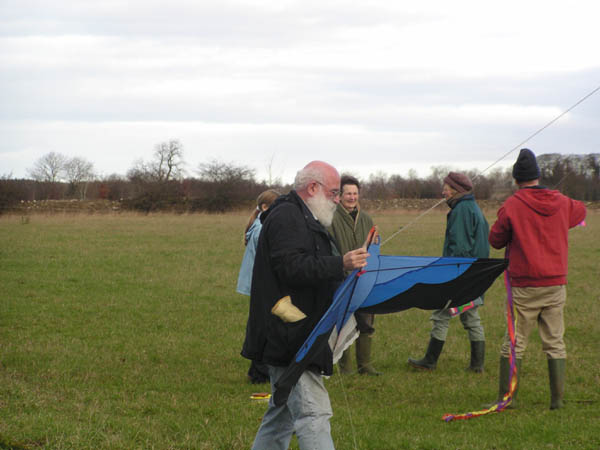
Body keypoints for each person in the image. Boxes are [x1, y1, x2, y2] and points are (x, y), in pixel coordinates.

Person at [241, 161, 370, 450]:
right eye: (334, 192)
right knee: (313, 413)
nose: (338, 199)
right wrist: (341, 263)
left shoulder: (303, 217)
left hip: (294, 330)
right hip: (289, 334)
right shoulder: (288, 217)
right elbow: (291, 267)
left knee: (282, 413)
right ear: (313, 188)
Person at [487, 148, 586, 409]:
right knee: (555, 341)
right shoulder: (563, 202)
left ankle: (507, 398)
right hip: (555, 283)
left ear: (516, 178)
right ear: (537, 176)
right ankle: (557, 400)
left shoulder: (511, 206)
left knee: (514, 342)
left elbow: (495, 240)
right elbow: (580, 212)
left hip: (524, 285)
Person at [408, 172, 489, 372]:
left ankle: (430, 360)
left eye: (446, 188)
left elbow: (459, 249)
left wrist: (450, 278)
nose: (443, 191)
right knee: (471, 318)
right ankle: (476, 365)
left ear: (456, 190)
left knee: (441, 314)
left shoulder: (461, 210)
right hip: (473, 276)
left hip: (461, 275)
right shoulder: (473, 208)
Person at [329, 175, 381, 376]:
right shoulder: (331, 217)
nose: (352, 197)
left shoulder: (367, 218)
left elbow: (374, 246)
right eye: (348, 193)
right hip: (341, 279)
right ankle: (345, 368)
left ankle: (365, 365)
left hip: (365, 279)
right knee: (344, 323)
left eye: (355, 193)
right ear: (340, 196)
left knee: (366, 323)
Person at [236, 189, 280, 384]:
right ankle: (259, 372)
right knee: (264, 327)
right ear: (265, 207)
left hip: (257, 283)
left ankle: (259, 369)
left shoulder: (257, 225)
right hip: (261, 284)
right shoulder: (262, 229)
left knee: (263, 325)